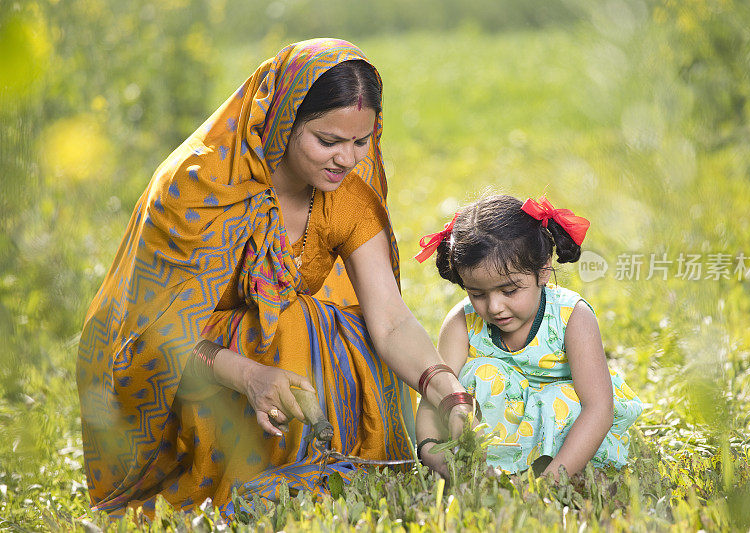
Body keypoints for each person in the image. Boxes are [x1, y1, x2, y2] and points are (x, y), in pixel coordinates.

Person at [77, 38, 473, 519]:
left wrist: (445, 390)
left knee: (338, 325)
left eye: (361, 142)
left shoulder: (345, 196)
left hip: (290, 374)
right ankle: (245, 484)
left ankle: (339, 469)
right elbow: (149, 334)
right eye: (328, 141)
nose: (346, 160)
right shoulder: (198, 189)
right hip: (195, 371)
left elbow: (389, 320)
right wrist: (249, 375)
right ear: (283, 121)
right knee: (285, 328)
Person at [414, 194, 643, 478]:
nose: (494, 307)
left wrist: (554, 479)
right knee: (477, 374)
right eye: (477, 294)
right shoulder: (462, 323)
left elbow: (598, 409)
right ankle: (491, 467)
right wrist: (431, 451)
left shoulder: (572, 317)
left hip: (568, 442)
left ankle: (548, 470)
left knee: (562, 397)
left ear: (544, 269)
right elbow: (434, 396)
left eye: (509, 291)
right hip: (495, 440)